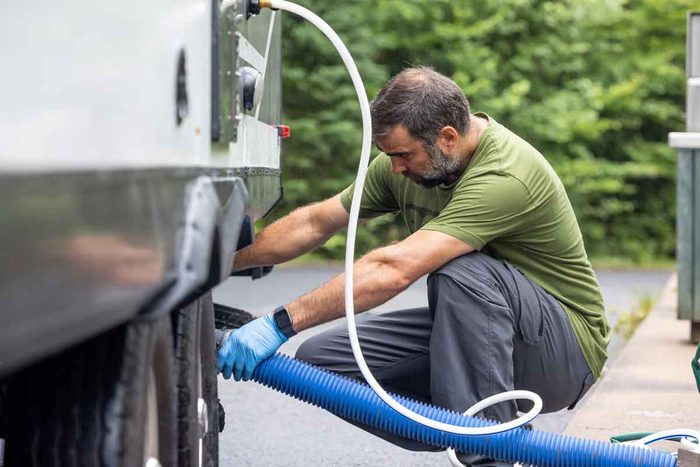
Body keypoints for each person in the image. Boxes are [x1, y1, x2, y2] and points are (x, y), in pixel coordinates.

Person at [216, 66, 609, 466]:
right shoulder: (404, 164)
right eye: (391, 156)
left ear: (448, 137)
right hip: (479, 335)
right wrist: (220, 263)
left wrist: (279, 323)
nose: (396, 168)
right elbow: (317, 221)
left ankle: (491, 453)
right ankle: (479, 427)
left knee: (460, 271)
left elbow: (394, 267)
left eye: (404, 155)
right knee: (325, 362)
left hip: (564, 350)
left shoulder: (506, 175)